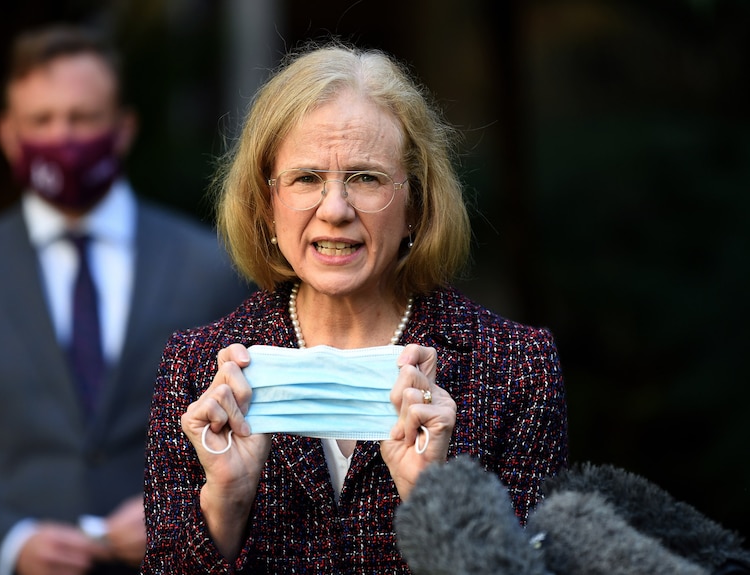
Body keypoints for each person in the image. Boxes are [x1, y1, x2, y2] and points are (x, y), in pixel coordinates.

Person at [141, 39, 568, 574]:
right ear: (265, 204)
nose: (335, 210)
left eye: (365, 177)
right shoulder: (196, 368)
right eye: (306, 179)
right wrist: (226, 502)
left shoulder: (514, 366)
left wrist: (435, 507)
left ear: (415, 201)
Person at [0, 23, 250, 575]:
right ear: (9, 135)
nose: (64, 137)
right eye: (42, 120)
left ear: (123, 129)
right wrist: (6, 542)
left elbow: (260, 427)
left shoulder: (211, 268)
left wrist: (181, 514)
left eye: (82, 118)